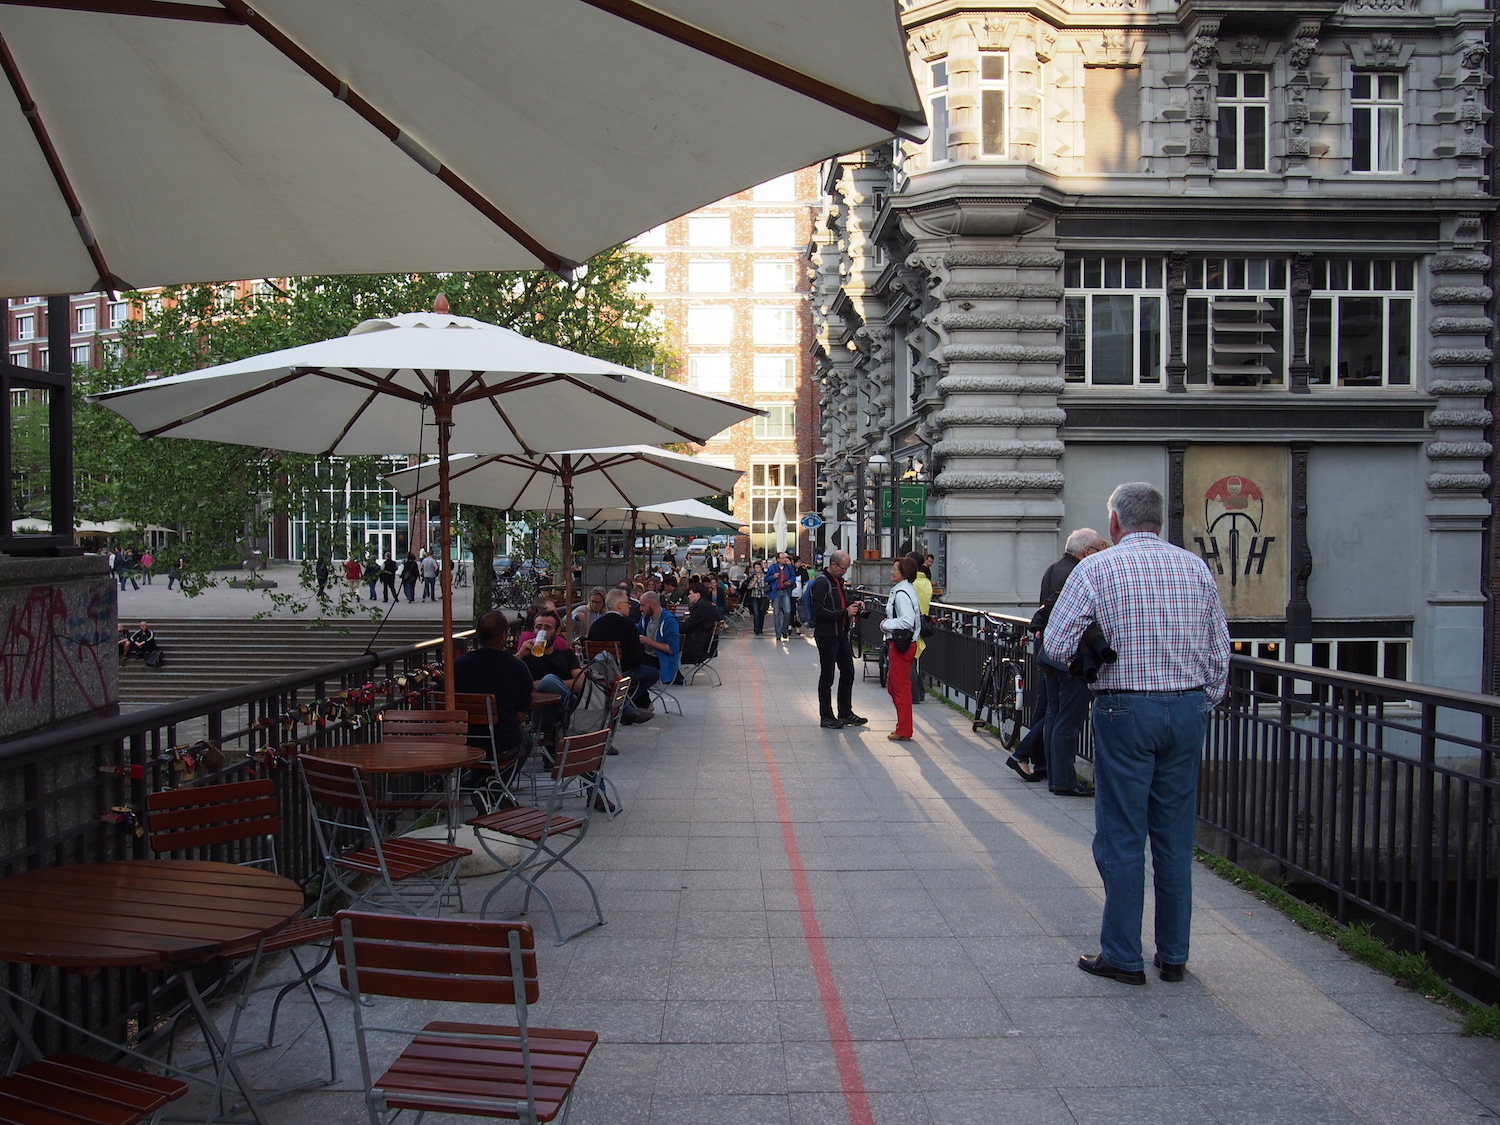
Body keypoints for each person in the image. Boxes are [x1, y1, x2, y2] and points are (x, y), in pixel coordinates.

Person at [1045, 482, 1230, 986]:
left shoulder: (1097, 568)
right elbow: (1220, 653)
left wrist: (1090, 663)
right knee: (1173, 839)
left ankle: (1123, 955)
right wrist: (1199, 702)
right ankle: (1173, 955)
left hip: (1125, 708)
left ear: (1115, 523)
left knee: (1122, 837)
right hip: (1189, 706)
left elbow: (1055, 644)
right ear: (1160, 521)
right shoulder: (1195, 568)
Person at [1026, 528, 1111, 796]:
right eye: (1098, 550)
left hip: (1050, 651)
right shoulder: (1082, 574)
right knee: (1069, 720)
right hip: (1073, 658)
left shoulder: (1053, 569)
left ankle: (1050, 771)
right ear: (1087, 552)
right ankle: (1062, 779)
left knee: (1053, 713)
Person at [454, 610, 535, 807]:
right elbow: (520, 715)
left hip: (462, 742)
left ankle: (480, 783)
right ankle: (492, 787)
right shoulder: (517, 667)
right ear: (503, 636)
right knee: (526, 741)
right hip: (502, 741)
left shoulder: (456, 667)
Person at [807, 550, 866, 730]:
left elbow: (841, 602)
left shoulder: (838, 581)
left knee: (848, 671)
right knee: (827, 675)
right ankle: (826, 715)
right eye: (843, 568)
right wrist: (844, 612)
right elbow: (818, 612)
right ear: (833, 565)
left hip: (841, 633)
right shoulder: (821, 583)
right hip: (826, 635)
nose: (844, 572)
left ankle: (845, 712)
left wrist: (854, 605)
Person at [588, 588, 659, 721]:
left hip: (600, 672)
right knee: (653, 673)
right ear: (619, 605)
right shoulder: (628, 626)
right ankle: (622, 700)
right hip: (623, 672)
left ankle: (621, 699)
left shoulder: (595, 626)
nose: (630, 606)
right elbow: (636, 659)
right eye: (628, 603)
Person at [880, 556, 921, 742]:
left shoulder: (902, 593)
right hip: (904, 643)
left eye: (895, 569)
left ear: (903, 572)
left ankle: (904, 729)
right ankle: (903, 726)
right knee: (895, 685)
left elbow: (907, 621)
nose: (891, 571)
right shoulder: (905, 590)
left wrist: (887, 624)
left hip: (901, 644)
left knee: (899, 686)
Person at [637, 590, 681, 689]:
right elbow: (637, 632)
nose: (640, 609)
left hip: (661, 661)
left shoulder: (669, 621)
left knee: (635, 678)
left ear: (653, 605)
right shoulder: (645, 619)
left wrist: (648, 641)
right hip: (646, 658)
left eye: (643, 605)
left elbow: (672, 649)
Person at [909, 551, 933, 704]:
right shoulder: (926, 582)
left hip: (913, 624)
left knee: (911, 660)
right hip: (923, 621)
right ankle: (920, 692)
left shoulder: (913, 584)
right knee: (916, 658)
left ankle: (915, 695)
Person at [679, 582, 719, 668]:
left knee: (669, 643)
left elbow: (686, 626)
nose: (688, 596)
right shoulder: (706, 604)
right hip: (708, 645)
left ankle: (672, 673)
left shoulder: (700, 607)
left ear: (697, 595)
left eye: (690, 594)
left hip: (699, 646)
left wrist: (674, 626)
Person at [767, 552, 797, 641]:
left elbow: (793, 576)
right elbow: (767, 578)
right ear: (778, 559)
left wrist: (790, 582)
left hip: (785, 591)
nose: (785, 559)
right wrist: (773, 577)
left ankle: (784, 629)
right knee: (776, 613)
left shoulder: (789, 567)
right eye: (783, 558)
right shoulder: (773, 567)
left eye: (785, 558)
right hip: (776, 592)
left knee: (788, 611)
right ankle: (778, 634)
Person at [742, 561, 769, 635]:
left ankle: (760, 628)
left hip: (763, 597)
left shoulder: (765, 577)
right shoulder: (751, 577)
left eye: (759, 567)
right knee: (756, 613)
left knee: (762, 613)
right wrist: (755, 580)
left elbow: (768, 586)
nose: (757, 569)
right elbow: (749, 587)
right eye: (756, 567)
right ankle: (756, 628)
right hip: (754, 597)